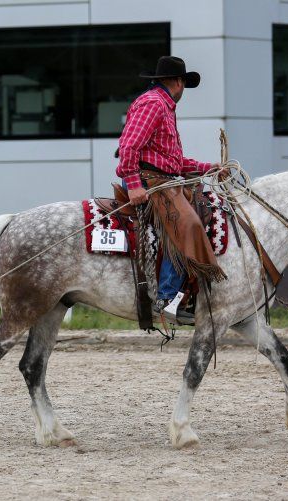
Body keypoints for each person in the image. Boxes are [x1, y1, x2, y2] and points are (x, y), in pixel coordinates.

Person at [116, 56, 225, 324]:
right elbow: (129, 146)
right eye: (184, 83)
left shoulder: (162, 106)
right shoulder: (154, 104)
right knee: (187, 224)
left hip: (159, 178)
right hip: (148, 180)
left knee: (192, 214)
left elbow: (172, 162)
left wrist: (207, 168)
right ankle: (167, 298)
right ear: (178, 82)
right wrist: (133, 184)